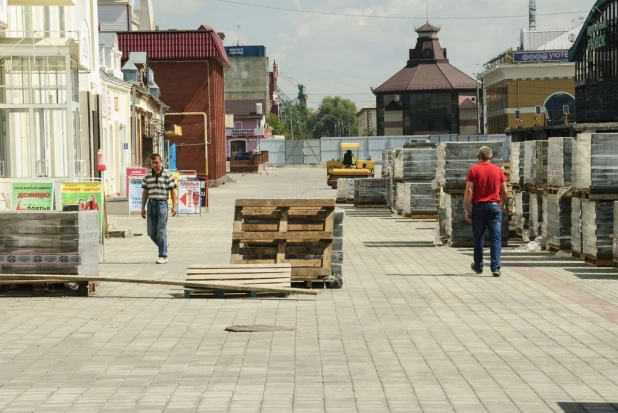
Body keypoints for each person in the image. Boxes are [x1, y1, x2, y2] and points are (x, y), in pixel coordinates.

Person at [464, 146, 507, 277]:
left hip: (479, 207)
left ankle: (478, 266)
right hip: (494, 207)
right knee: (495, 238)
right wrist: (502, 203)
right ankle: (495, 267)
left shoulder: (473, 170)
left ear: (478, 157)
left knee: (478, 237)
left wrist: (466, 208)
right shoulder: (498, 171)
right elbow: (504, 191)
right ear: (491, 157)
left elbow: (469, 190)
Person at [141, 154, 177, 264]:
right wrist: (142, 207)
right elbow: (145, 192)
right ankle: (164, 244)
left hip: (162, 204)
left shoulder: (167, 175)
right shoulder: (147, 175)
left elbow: (173, 191)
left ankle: (163, 255)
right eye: (153, 163)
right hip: (151, 204)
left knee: (161, 231)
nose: (154, 165)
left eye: (156, 162)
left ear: (161, 161)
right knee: (151, 232)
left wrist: (174, 206)